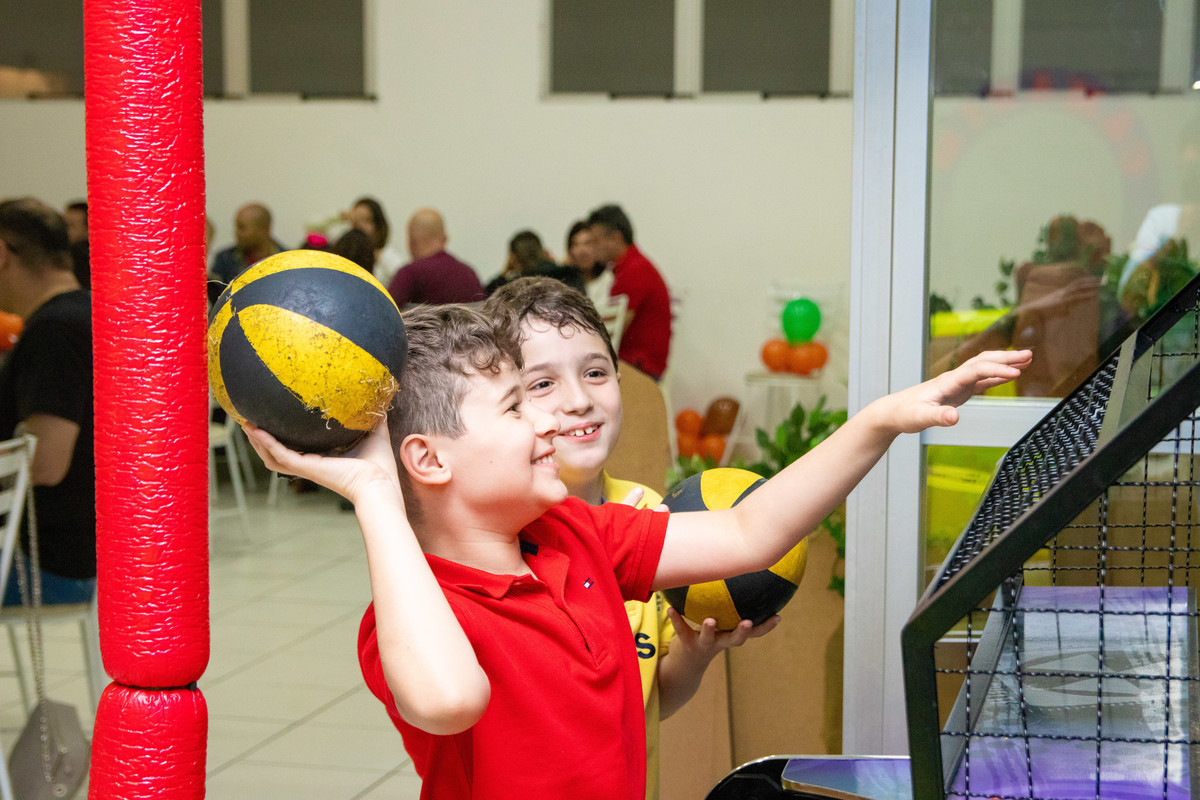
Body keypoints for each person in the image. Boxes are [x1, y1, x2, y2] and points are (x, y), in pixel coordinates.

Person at [243, 300, 1029, 800]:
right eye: (518, 406)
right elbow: (451, 701)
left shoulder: (579, 538)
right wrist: (374, 495)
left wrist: (879, 422)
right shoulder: (413, 619)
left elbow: (748, 532)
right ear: (428, 460)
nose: (550, 420)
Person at [485, 276, 775, 799]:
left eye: (595, 372)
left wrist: (695, 653)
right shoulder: (493, 536)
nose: (578, 400)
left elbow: (653, 699)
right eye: (542, 384)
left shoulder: (648, 515)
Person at [0, 198, 95, 605]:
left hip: (42, 564)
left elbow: (44, 463)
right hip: (88, 553)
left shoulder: (53, 333)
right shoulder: (90, 311)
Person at [587, 204, 672, 380]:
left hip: (639, 367)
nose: (592, 248)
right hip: (635, 362)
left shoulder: (635, 271)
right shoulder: (630, 266)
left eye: (595, 241)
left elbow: (608, 332)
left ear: (616, 238)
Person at [387, 207, 484, 308]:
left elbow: (382, 313)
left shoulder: (409, 274)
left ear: (412, 241)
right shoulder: (470, 274)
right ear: (445, 238)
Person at [208, 203, 284, 303]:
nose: (236, 233)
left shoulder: (285, 260)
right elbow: (216, 301)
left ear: (263, 229)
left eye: (242, 227)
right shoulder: (225, 259)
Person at [485, 229, 585, 296]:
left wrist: (505, 271)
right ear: (543, 251)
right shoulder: (570, 273)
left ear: (513, 258)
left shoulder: (514, 286)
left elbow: (487, 295)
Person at [348, 196, 404, 287]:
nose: (359, 227)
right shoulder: (348, 259)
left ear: (378, 225)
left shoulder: (388, 256)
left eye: (366, 221)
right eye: (355, 222)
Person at [564, 219, 611, 308]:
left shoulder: (609, 279)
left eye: (587, 243)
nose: (582, 251)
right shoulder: (564, 284)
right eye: (576, 244)